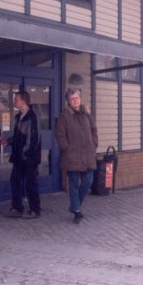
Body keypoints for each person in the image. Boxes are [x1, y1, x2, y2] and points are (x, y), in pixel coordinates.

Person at [55, 88, 98, 224]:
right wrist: (67, 149)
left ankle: (74, 206)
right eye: (72, 99)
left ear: (80, 99)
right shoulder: (64, 116)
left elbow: (94, 130)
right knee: (73, 185)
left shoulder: (87, 115)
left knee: (88, 181)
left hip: (88, 155)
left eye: (77, 98)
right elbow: (60, 135)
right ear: (68, 101)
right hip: (72, 156)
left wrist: (94, 144)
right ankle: (77, 212)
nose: (75, 100)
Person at [3, 91, 42, 219]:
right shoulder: (18, 116)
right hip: (19, 157)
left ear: (23, 101)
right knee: (15, 180)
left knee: (31, 183)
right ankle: (17, 208)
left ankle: (35, 210)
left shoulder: (32, 117)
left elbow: (33, 139)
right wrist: (7, 142)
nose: (14, 102)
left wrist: (25, 153)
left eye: (16, 99)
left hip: (29, 157)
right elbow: (18, 136)